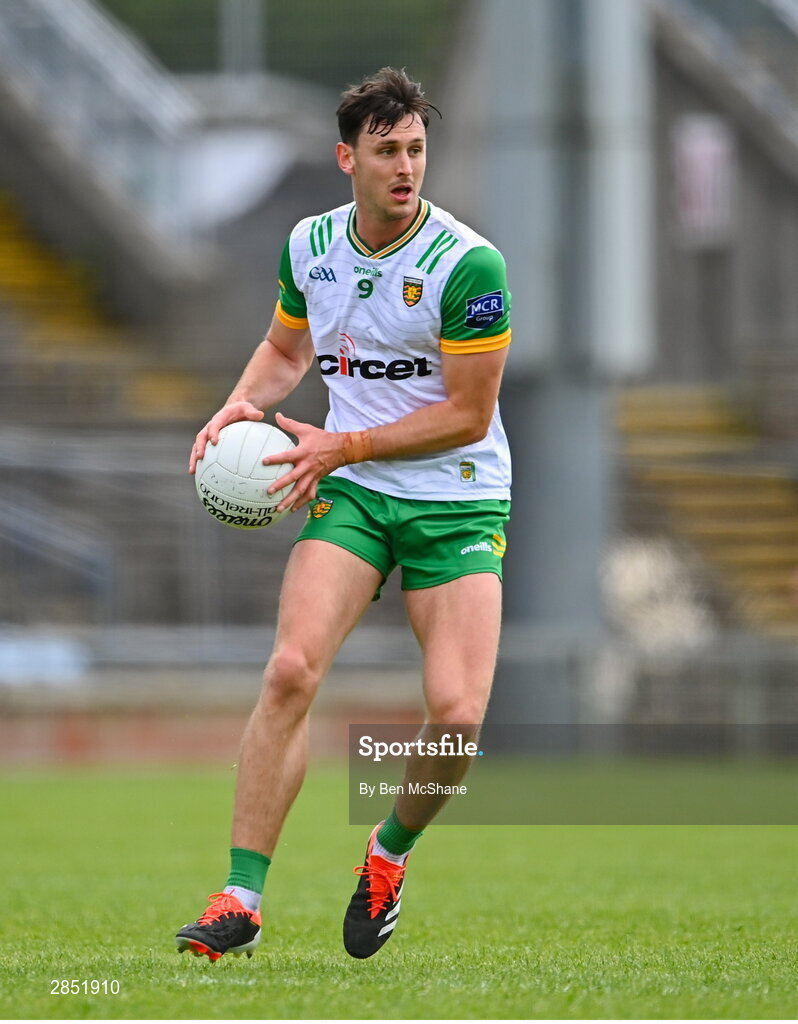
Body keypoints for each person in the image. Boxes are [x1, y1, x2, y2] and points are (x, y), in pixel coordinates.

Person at [176, 66, 512, 962]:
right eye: (387, 152)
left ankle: (387, 852)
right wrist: (238, 405)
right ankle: (240, 898)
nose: (406, 168)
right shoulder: (311, 244)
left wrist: (341, 446)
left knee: (459, 716)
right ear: (346, 157)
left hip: (458, 496)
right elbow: (287, 346)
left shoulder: (469, 264)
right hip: (356, 496)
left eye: (416, 150)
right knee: (289, 670)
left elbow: (467, 415)